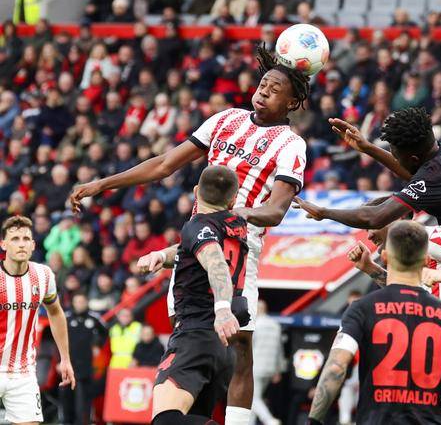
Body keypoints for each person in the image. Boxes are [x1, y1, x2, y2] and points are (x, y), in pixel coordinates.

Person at [71, 44, 310, 425]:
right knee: (191, 338)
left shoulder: (291, 144)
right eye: (263, 83)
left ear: (293, 102)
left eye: (275, 89)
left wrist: (229, 216)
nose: (264, 91)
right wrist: (103, 183)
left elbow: (276, 210)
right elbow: (165, 164)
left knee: (240, 347)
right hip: (194, 242)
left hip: (238, 248)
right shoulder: (226, 119)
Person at [295, 107, 441, 360]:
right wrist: (368, 148)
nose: (395, 159)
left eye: (397, 155)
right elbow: (416, 176)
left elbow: (375, 217)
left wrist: (324, 212)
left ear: (415, 157)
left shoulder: (430, 234)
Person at [306, 221, 441, 424]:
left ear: (384, 257)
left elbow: (336, 367)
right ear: (426, 260)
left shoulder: (361, 309)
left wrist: (313, 421)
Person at [152, 166, 250, 425]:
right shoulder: (237, 225)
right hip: (221, 347)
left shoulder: (197, 225)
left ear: (196, 192)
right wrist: (161, 255)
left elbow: (215, 261)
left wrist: (222, 309)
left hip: (194, 337)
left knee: (166, 421)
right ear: (232, 200)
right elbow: (195, 247)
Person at [0, 216, 76, 424]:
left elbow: (56, 312)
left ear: (33, 245)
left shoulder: (43, 275)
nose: (21, 244)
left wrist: (65, 358)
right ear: (3, 244)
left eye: (26, 239)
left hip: (23, 372)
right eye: (15, 239)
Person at [62, 292, 107, 425]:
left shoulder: (94, 318)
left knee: (83, 397)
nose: (79, 304)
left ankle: (82, 422)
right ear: (73, 303)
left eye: (82, 302)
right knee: (66, 395)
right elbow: (56, 337)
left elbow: (105, 332)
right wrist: (60, 360)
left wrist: (97, 344)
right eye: (77, 302)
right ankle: (66, 421)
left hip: (87, 364)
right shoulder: (66, 317)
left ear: (86, 302)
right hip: (69, 362)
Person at [251, 300, 284, 425]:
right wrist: (278, 370)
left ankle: (269, 420)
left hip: (256, 366)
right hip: (270, 368)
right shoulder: (275, 325)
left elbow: (249, 347)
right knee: (256, 397)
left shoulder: (255, 324)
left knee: (253, 398)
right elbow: (279, 349)